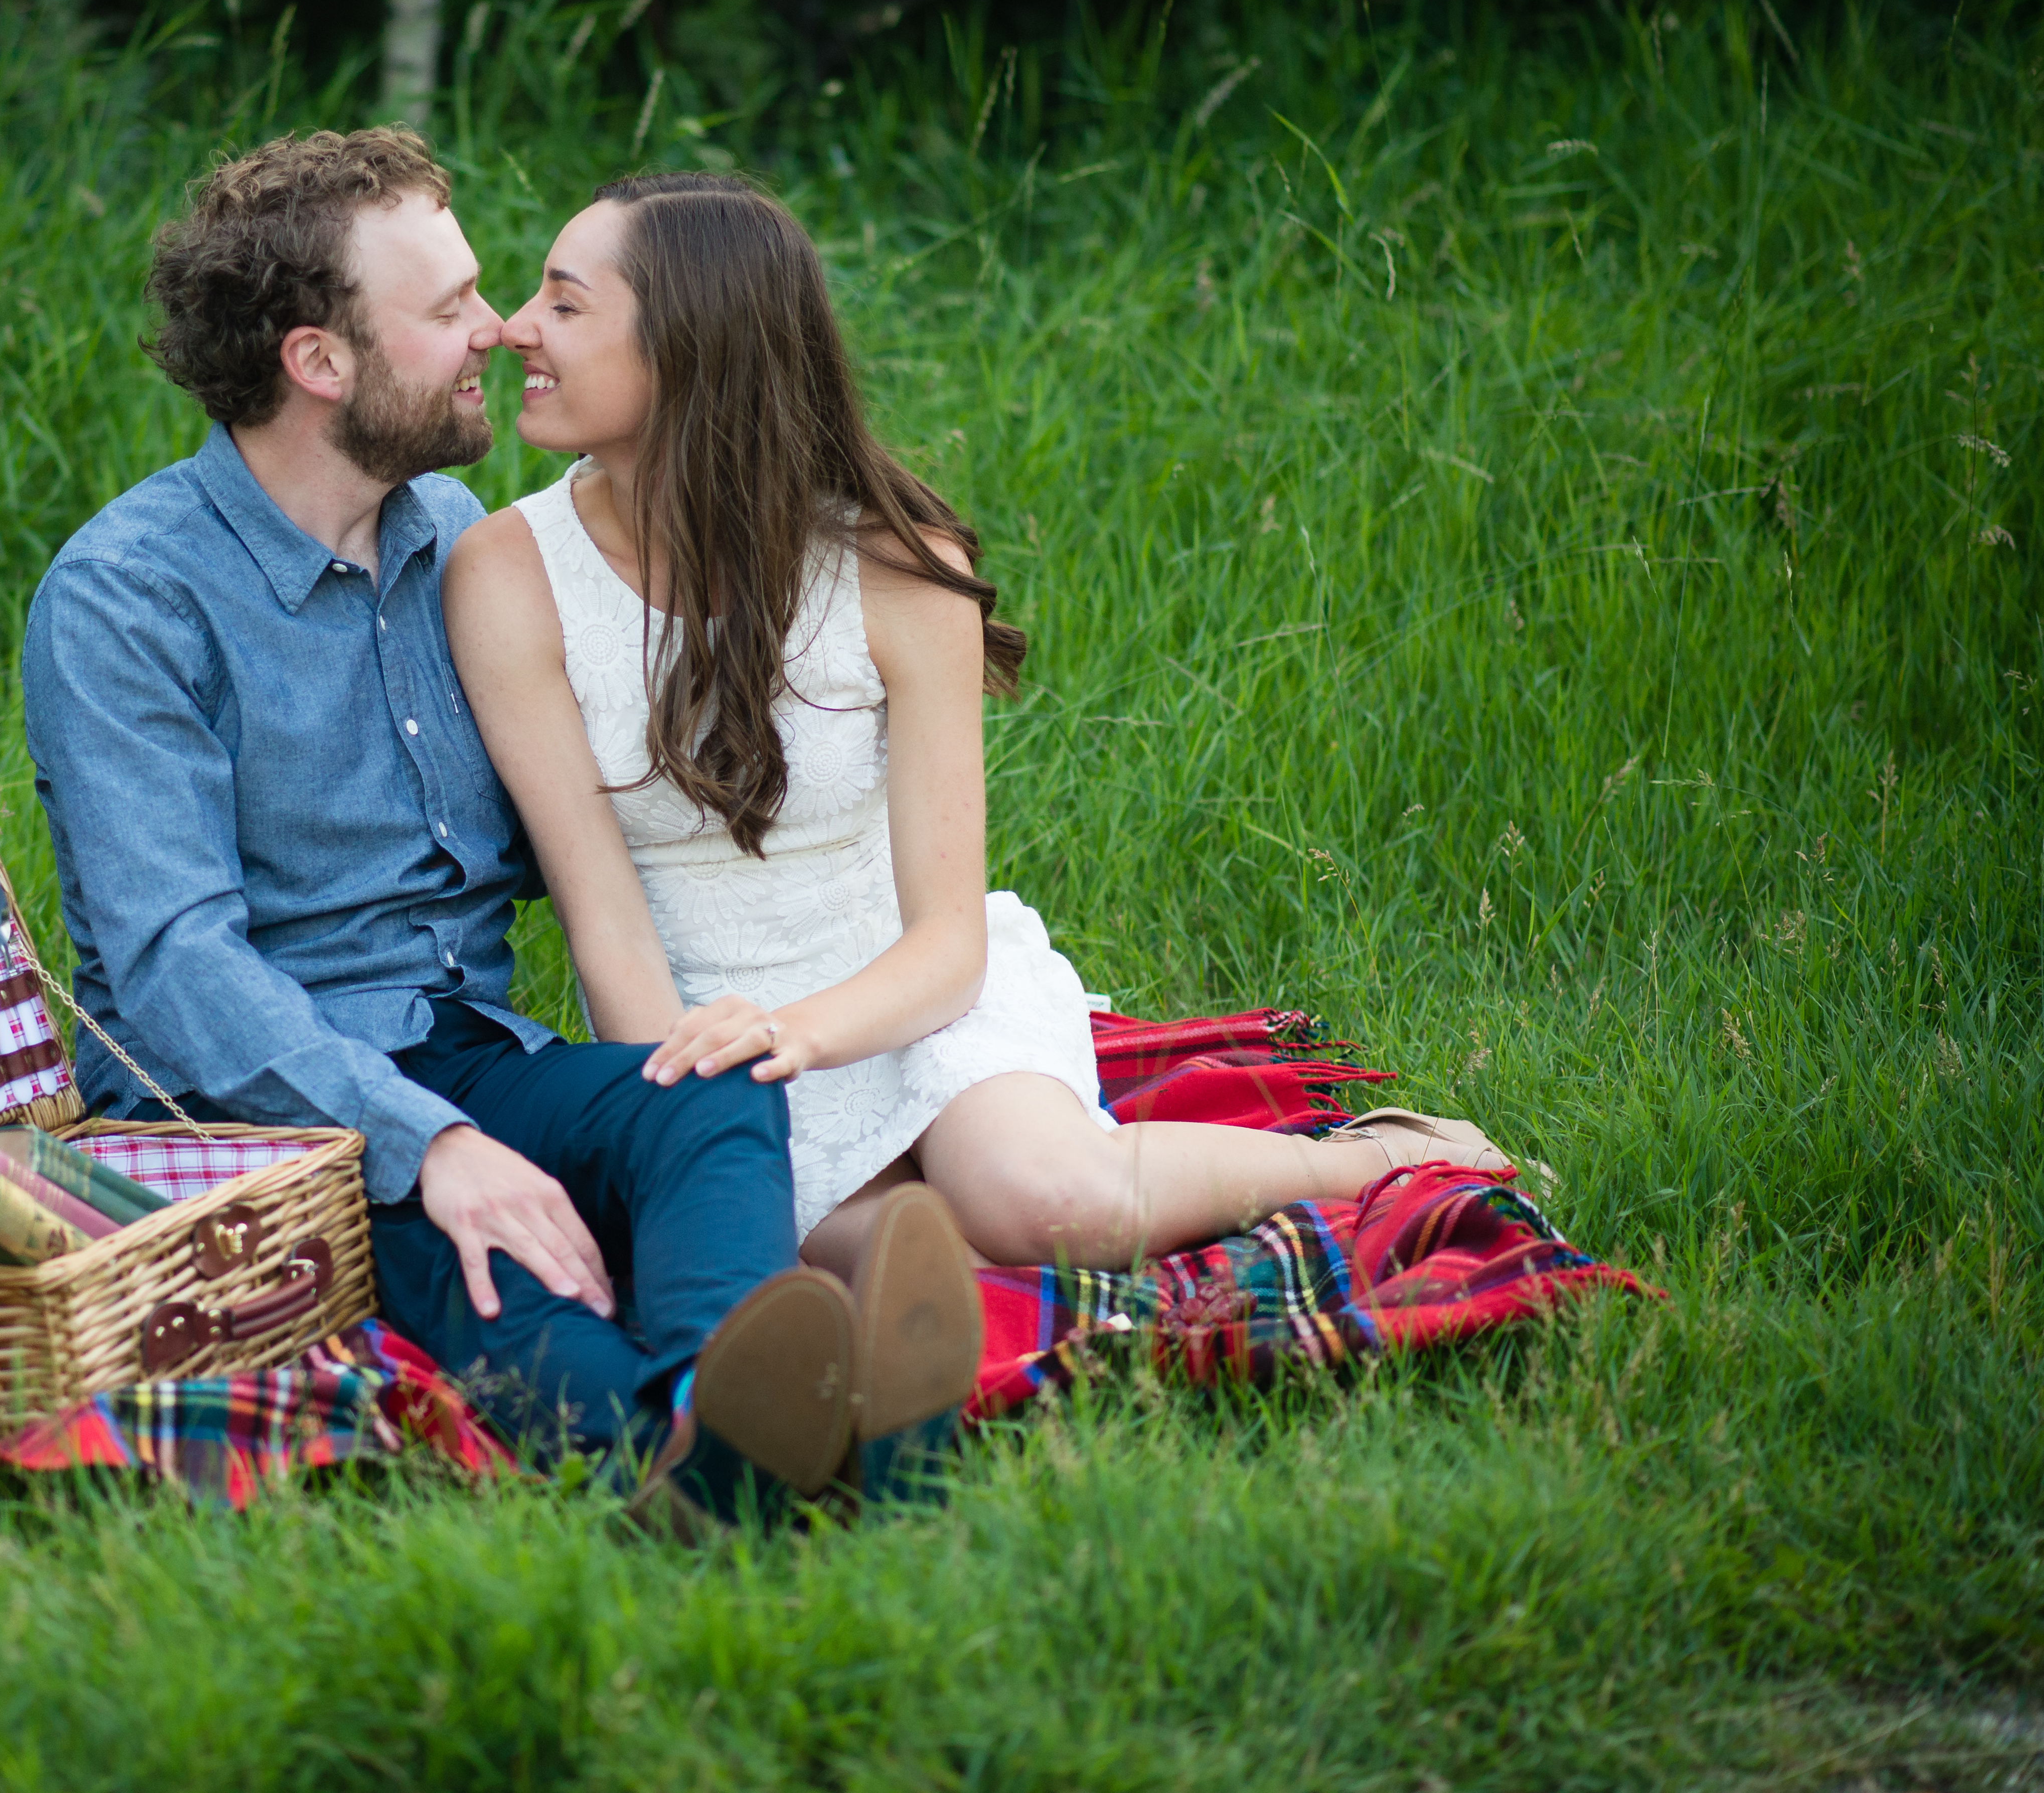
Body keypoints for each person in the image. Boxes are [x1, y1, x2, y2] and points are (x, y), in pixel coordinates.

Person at [20, 133, 980, 1525]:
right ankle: (729, 1463)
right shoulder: (129, 600)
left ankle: (737, 1408)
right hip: (262, 1110)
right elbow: (172, 971)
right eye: (450, 308)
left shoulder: (450, 537)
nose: (498, 332)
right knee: (504, 1262)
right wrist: (430, 1145)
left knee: (707, 1087)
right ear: (319, 364)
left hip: (473, 1048)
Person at [444, 174, 1521, 1277]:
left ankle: (1360, 1165)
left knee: (1041, 1205)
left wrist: (799, 1032)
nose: (516, 328)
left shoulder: (893, 569)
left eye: (565, 305)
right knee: (810, 1253)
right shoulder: (508, 576)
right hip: (696, 1037)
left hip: (903, 993)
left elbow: (947, 945)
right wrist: (681, 1099)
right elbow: (602, 923)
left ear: (690, 346)